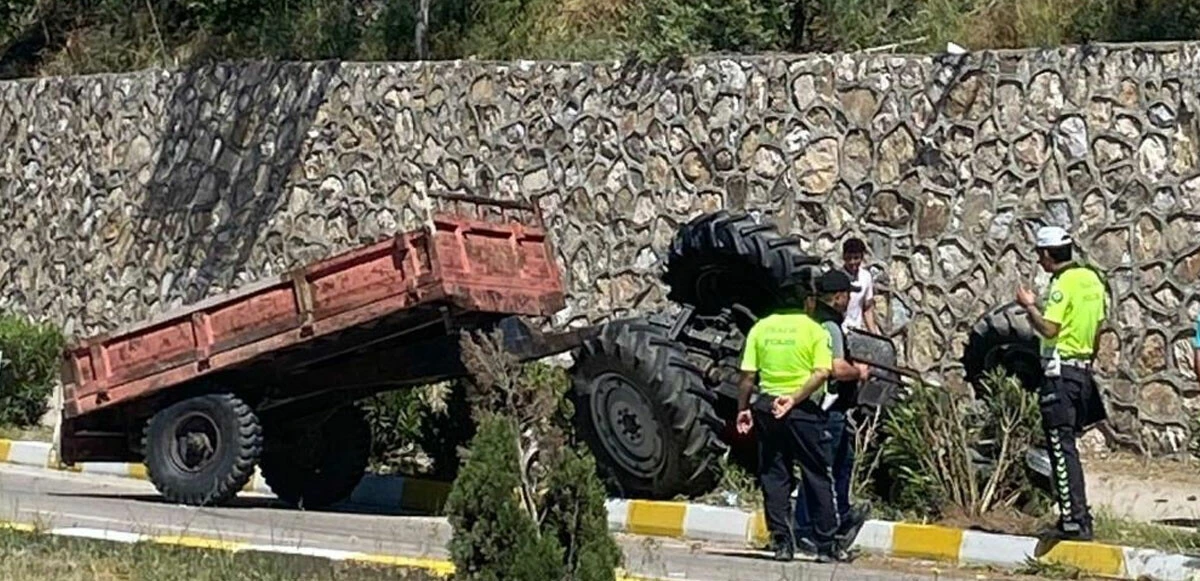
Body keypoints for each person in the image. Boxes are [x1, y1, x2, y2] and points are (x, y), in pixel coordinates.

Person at [734, 268, 843, 562]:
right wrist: (794, 399)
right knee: (817, 474)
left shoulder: (761, 328)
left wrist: (743, 409)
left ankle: (782, 542)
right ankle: (826, 545)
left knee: (774, 474)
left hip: (767, 408)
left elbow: (746, 376)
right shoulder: (815, 330)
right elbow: (823, 372)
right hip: (803, 410)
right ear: (806, 302)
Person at [1016, 225, 1108, 541]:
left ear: (1046, 254)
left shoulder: (1062, 283)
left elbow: (1050, 328)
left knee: (1060, 446)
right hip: (1082, 372)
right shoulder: (1093, 279)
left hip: (1060, 374)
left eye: (1039, 255)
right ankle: (1079, 518)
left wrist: (1028, 305)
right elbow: (1097, 332)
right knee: (1068, 447)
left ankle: (1073, 521)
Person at [793, 269, 871, 556]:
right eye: (848, 294)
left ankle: (836, 519)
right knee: (819, 471)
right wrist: (858, 372)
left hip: (827, 410)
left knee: (839, 465)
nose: (851, 299)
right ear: (838, 297)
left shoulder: (813, 322)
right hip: (829, 409)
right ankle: (806, 527)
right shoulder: (831, 327)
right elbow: (836, 367)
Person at [841, 238, 880, 335]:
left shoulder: (866, 277)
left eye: (856, 258)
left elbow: (867, 309)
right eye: (849, 258)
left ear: (862, 257)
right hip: (840, 329)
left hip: (856, 330)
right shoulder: (838, 277)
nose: (852, 262)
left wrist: (873, 333)